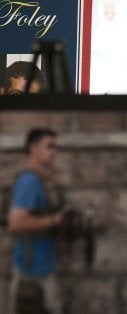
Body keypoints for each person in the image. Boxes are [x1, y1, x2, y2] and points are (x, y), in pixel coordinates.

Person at [8, 128, 64, 314]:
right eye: (49, 146)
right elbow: (16, 223)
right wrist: (54, 220)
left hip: (41, 267)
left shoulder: (39, 180)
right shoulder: (29, 182)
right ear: (33, 148)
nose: (54, 151)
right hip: (32, 272)